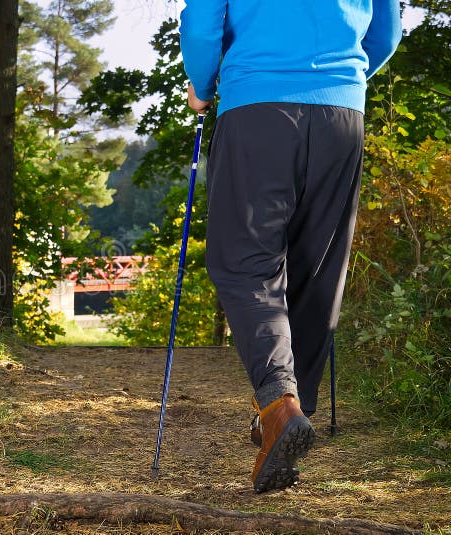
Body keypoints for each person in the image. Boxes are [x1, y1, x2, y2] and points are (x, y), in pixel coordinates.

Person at [179, 0, 402, 492]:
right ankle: (286, 410)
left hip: (258, 105)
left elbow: (201, 21)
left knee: (245, 263)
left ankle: (280, 405)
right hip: (342, 114)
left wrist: (202, 82)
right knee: (317, 265)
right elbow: (386, 33)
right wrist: (346, 78)